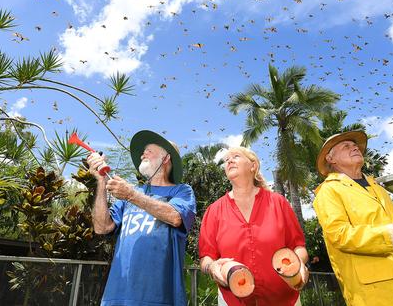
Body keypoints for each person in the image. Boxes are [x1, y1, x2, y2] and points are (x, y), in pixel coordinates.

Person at [312, 131, 393, 306]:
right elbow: (339, 235)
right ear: (331, 159)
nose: (355, 148)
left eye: (355, 146)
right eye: (346, 146)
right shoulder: (329, 191)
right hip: (377, 294)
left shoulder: (378, 188)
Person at [88, 130, 196, 306]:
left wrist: (131, 195)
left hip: (160, 299)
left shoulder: (182, 191)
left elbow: (175, 217)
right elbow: (102, 227)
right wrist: (101, 182)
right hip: (116, 297)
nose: (142, 155)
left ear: (166, 158)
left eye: (149, 151)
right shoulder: (132, 192)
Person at [199, 146, 309, 306]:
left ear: (253, 166)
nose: (229, 160)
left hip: (284, 300)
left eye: (235, 156)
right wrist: (212, 267)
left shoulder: (278, 202)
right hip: (232, 301)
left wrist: (297, 265)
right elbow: (206, 257)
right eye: (226, 160)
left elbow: (299, 246)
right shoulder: (214, 210)